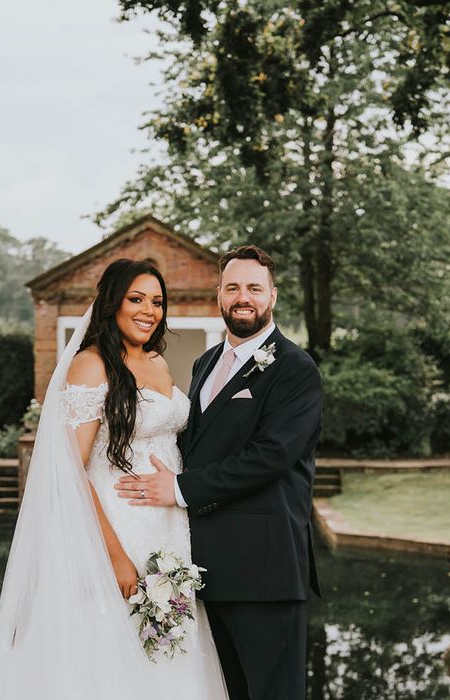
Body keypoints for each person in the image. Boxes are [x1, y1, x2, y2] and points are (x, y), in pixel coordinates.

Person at [0, 258, 228, 699]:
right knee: (110, 659)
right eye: (137, 299)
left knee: (171, 656)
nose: (149, 310)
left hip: (168, 530)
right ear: (112, 303)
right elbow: (69, 474)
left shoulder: (158, 362)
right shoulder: (91, 366)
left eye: (157, 301)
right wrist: (112, 555)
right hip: (112, 529)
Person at [115, 245, 322, 700]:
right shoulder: (204, 363)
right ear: (219, 295)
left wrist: (179, 489)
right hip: (204, 570)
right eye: (233, 287)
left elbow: (270, 457)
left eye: (253, 288)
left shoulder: (295, 369)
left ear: (272, 295)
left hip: (264, 572)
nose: (242, 296)